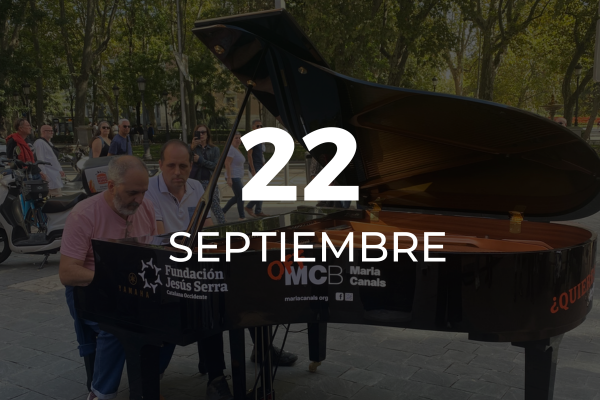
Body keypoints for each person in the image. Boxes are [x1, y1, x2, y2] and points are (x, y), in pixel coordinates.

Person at [59, 156, 176, 400]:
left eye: (143, 192)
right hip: (93, 292)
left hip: (135, 289)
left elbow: (153, 254)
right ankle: (101, 393)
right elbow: (68, 272)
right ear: (111, 186)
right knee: (117, 325)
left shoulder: (145, 207)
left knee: (177, 315)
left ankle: (149, 379)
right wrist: (112, 280)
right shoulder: (83, 215)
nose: (140, 200)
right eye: (133, 192)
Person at [144, 140, 233, 400]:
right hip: (164, 269)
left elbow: (207, 230)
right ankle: (216, 376)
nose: (177, 172)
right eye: (171, 165)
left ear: (192, 165)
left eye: (184, 165)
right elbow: (162, 239)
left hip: (194, 263)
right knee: (207, 299)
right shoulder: (150, 190)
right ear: (159, 165)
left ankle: (262, 350)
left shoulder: (196, 187)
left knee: (238, 289)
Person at [190, 124, 226, 225]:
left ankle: (223, 226)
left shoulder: (214, 149)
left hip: (209, 181)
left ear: (207, 135)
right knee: (194, 208)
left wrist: (201, 160)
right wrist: (191, 148)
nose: (201, 135)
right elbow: (184, 161)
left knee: (215, 206)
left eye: (203, 132)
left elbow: (216, 166)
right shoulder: (192, 148)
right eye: (199, 132)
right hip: (194, 181)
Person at [245, 120, 269, 218]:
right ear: (253, 127)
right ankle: (249, 207)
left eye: (261, 126)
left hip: (260, 165)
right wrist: (253, 169)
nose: (259, 128)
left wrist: (263, 164)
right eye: (257, 126)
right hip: (255, 166)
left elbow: (260, 154)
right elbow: (249, 155)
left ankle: (258, 210)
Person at [33, 125, 65, 197]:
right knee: (56, 197)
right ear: (43, 132)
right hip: (49, 174)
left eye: (52, 131)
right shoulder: (39, 143)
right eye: (50, 131)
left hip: (54, 174)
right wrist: (43, 173)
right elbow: (40, 159)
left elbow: (54, 159)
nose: (52, 132)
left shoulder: (49, 143)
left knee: (57, 196)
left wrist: (60, 170)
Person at [222, 132, 246, 220]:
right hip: (233, 176)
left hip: (237, 176)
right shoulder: (231, 149)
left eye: (239, 138)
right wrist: (229, 178)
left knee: (238, 197)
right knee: (242, 196)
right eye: (236, 138)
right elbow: (227, 163)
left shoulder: (237, 149)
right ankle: (242, 217)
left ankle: (222, 211)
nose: (238, 140)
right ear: (231, 140)